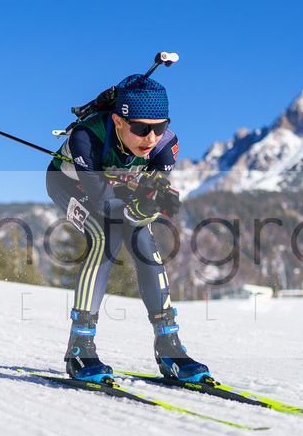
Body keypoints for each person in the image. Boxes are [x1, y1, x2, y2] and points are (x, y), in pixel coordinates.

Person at [45, 74, 210, 385]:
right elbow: (105, 205)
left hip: (117, 187)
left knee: (144, 242)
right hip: (68, 183)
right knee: (104, 236)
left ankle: (169, 346)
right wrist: (136, 207)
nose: (151, 138)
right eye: (141, 128)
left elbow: (146, 197)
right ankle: (80, 347)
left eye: (158, 127)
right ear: (119, 121)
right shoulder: (86, 138)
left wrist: (153, 202)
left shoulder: (165, 145)